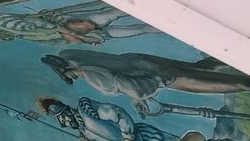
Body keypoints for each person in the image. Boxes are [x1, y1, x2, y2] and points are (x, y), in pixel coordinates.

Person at [42, 50, 250, 115]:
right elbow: (123, 73)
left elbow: (131, 86)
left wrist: (141, 95)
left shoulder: (91, 75)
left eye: (71, 76)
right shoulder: (82, 57)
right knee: (205, 67)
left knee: (232, 85)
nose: (74, 78)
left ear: (70, 70)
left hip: (161, 77)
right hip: (147, 62)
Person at [35, 96, 166, 141]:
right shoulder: (86, 138)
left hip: (150, 138)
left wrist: (128, 136)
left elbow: (117, 113)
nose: (66, 122)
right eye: (61, 121)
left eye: (64, 117)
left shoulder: (86, 109)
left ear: (68, 109)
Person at [0, 1, 153, 46]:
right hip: (88, 33)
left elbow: (52, 27)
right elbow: (58, 38)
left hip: (79, 24)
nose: (5, 40)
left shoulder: (7, 25)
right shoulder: (22, 36)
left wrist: (81, 36)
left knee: (116, 12)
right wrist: (87, 41)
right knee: (141, 30)